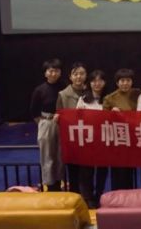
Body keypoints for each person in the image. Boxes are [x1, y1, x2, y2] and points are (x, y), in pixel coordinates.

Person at [103, 68, 140, 190]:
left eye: (128, 80)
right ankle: (116, 195)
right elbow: (103, 120)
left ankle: (130, 195)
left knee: (130, 170)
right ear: (117, 83)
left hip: (134, 138)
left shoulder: (138, 94)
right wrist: (111, 114)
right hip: (117, 139)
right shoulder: (110, 98)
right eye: (122, 81)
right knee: (118, 171)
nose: (125, 83)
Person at [30, 58, 64, 191]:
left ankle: (60, 183)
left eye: (56, 71)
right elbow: (34, 111)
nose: (53, 74)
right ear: (45, 73)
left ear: (60, 72)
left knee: (60, 155)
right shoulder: (40, 90)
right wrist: (44, 123)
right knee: (47, 155)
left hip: (63, 123)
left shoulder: (65, 87)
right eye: (50, 71)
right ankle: (50, 185)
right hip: (46, 122)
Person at [76, 70, 108, 207]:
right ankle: (88, 198)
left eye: (100, 80)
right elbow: (76, 119)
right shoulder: (83, 99)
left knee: (102, 170)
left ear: (105, 82)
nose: (97, 83)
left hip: (104, 140)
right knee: (86, 171)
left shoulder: (109, 99)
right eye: (94, 81)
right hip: (87, 141)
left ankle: (99, 194)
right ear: (89, 83)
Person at [56, 62, 88, 193]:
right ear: (70, 77)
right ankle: (75, 196)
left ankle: (87, 196)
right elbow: (59, 114)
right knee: (73, 171)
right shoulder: (63, 95)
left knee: (87, 171)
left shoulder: (91, 92)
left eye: (82, 74)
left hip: (88, 138)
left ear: (86, 75)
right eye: (75, 74)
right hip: (71, 139)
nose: (78, 77)